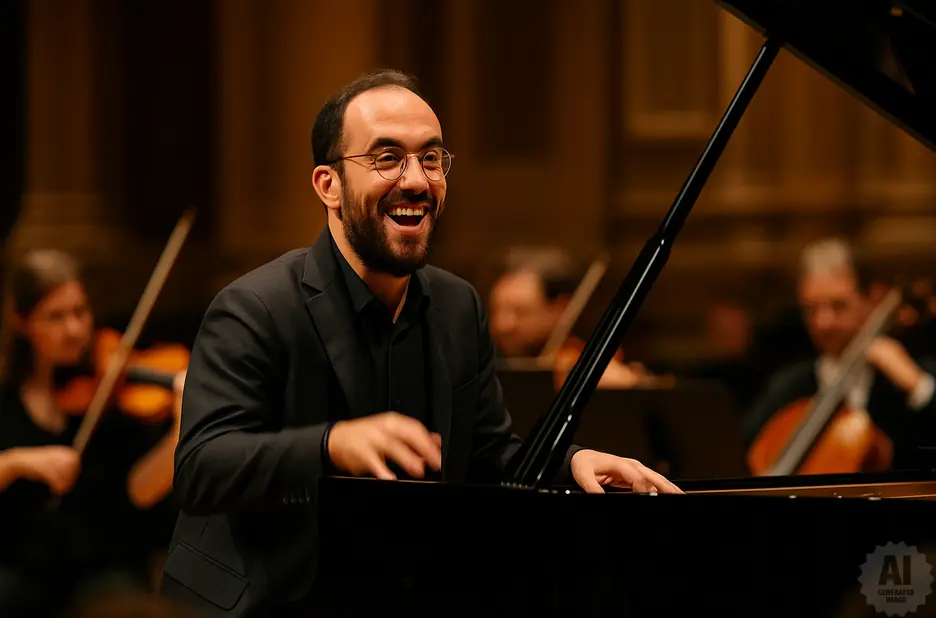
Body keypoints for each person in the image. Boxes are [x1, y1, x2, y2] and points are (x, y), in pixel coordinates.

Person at [161, 69, 681, 618]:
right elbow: (201, 468)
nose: (416, 180)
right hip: (262, 600)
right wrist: (331, 445)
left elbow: (485, 452)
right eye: (387, 158)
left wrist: (571, 461)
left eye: (430, 159)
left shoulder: (458, 307)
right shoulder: (255, 307)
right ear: (328, 185)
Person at [0, 249, 185, 618]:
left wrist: (181, 432)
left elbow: (137, 492)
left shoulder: (115, 397)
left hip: (103, 568)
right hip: (20, 569)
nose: (74, 329)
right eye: (55, 317)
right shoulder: (5, 399)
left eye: (80, 313)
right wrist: (19, 462)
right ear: (21, 321)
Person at [741, 238, 936, 469]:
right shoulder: (788, 387)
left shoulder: (912, 380)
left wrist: (917, 385)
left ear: (873, 298)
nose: (822, 323)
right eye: (811, 309)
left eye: (838, 306)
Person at [488, 246, 652, 387]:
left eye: (521, 312)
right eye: (496, 310)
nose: (502, 325)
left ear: (561, 310)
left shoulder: (575, 364)